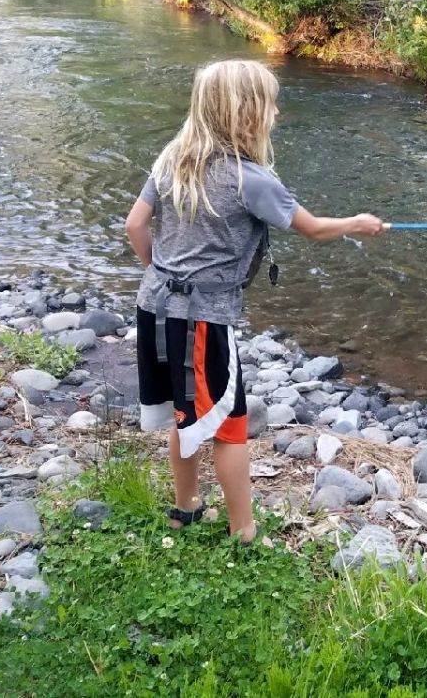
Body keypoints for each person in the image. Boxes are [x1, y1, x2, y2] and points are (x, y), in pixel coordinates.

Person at [124, 59, 386, 542]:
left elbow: (135, 226)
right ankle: (244, 532)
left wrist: (158, 276)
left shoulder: (172, 159)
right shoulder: (250, 179)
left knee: (185, 412)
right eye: (269, 103)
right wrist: (357, 223)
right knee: (228, 424)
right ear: (244, 112)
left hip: (154, 305)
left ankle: (185, 508)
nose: (276, 111)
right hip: (201, 320)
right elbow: (311, 228)